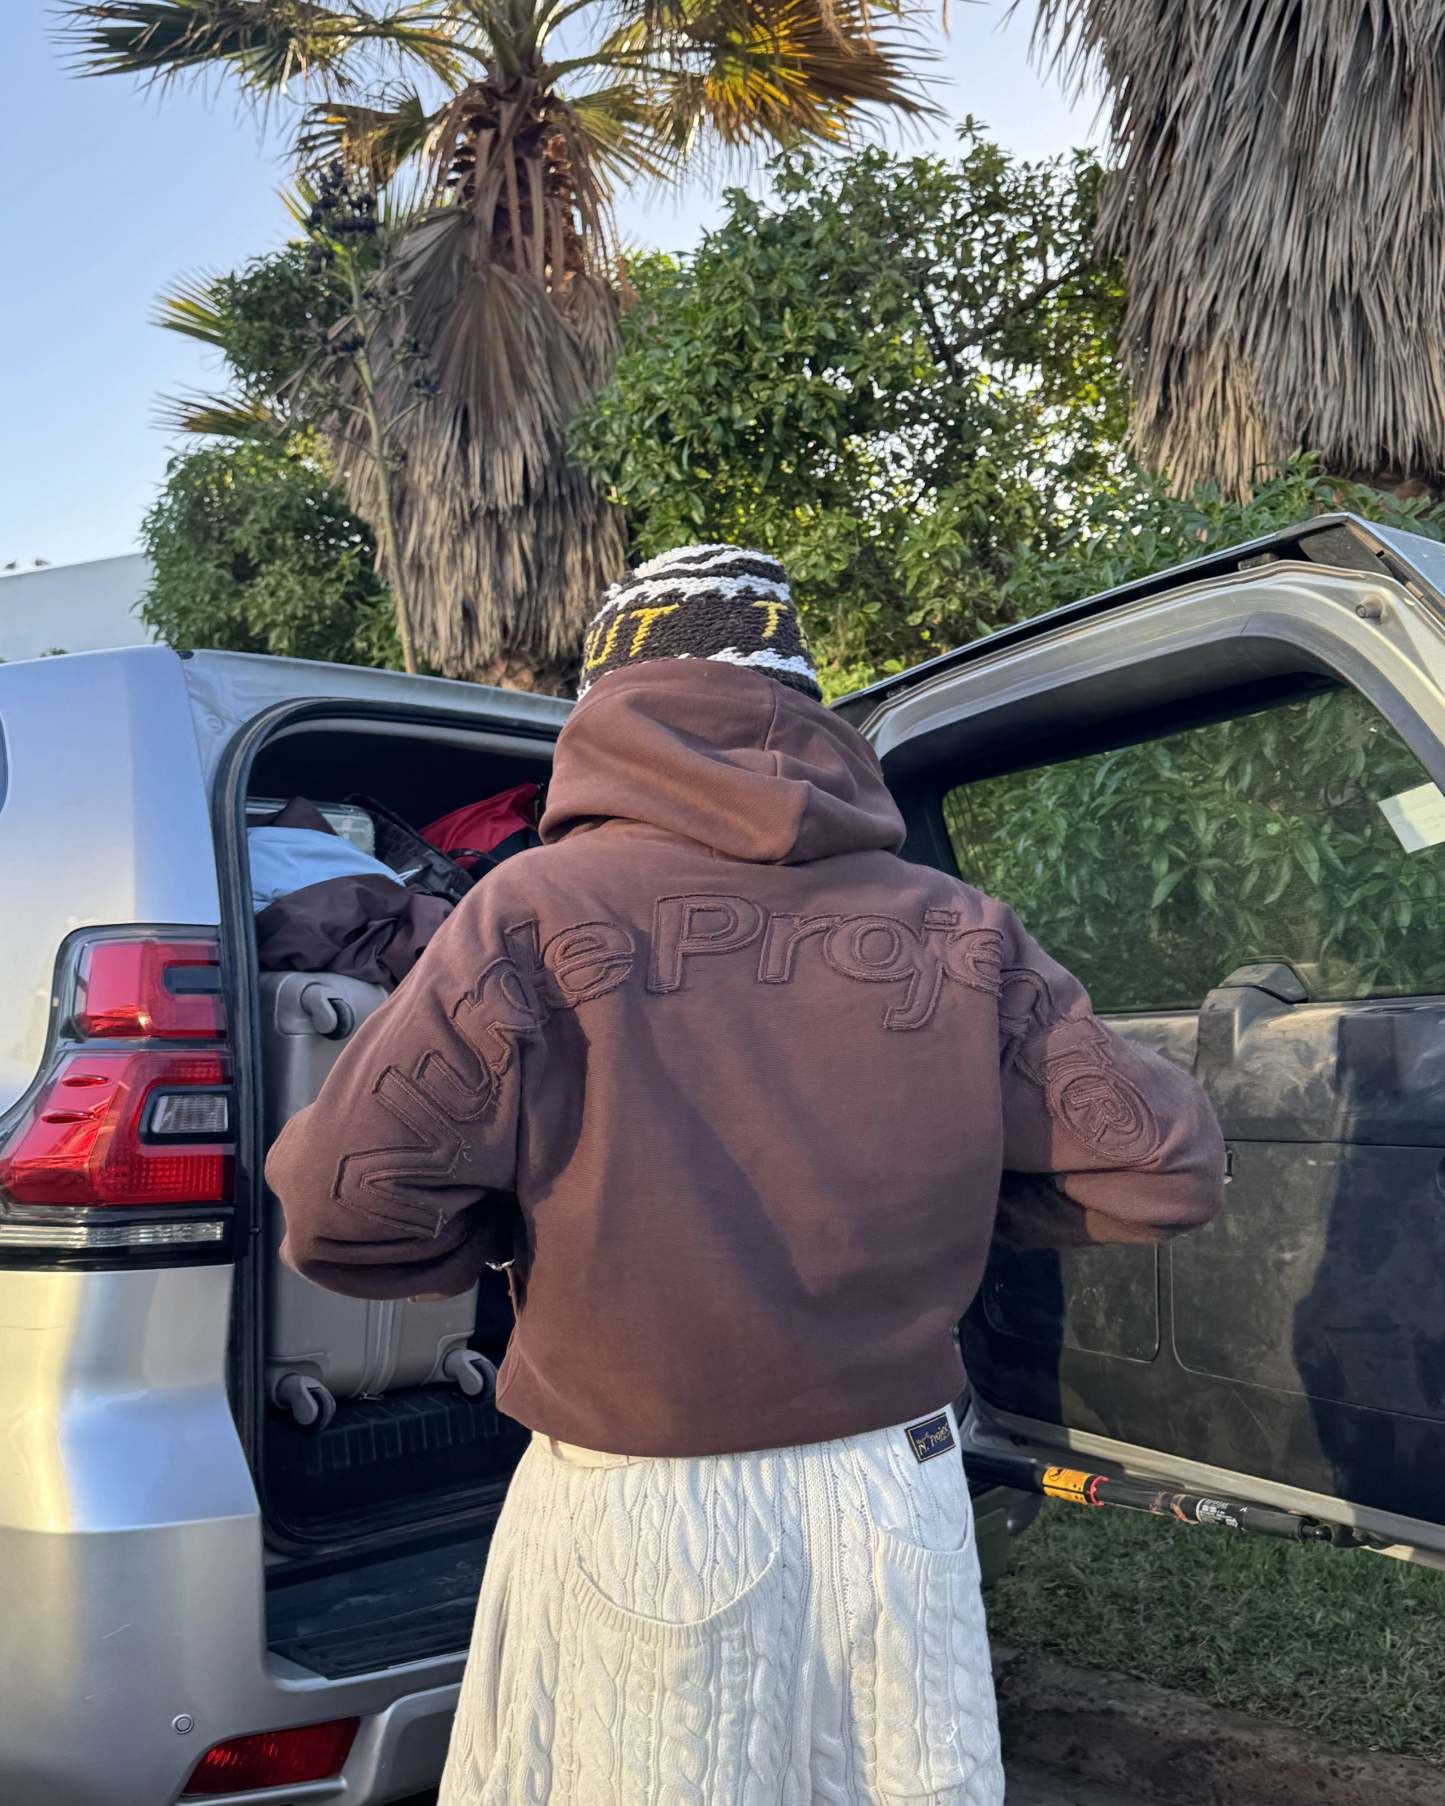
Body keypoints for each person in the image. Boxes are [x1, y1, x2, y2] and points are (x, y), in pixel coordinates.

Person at [266, 544, 1226, 1805]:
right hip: (898, 1496)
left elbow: (345, 1207)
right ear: (809, 711)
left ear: (606, 709)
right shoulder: (956, 925)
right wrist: (949, 1188)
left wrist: (525, 1225)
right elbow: (1158, 1167)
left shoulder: (530, 912)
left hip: (641, 1509)